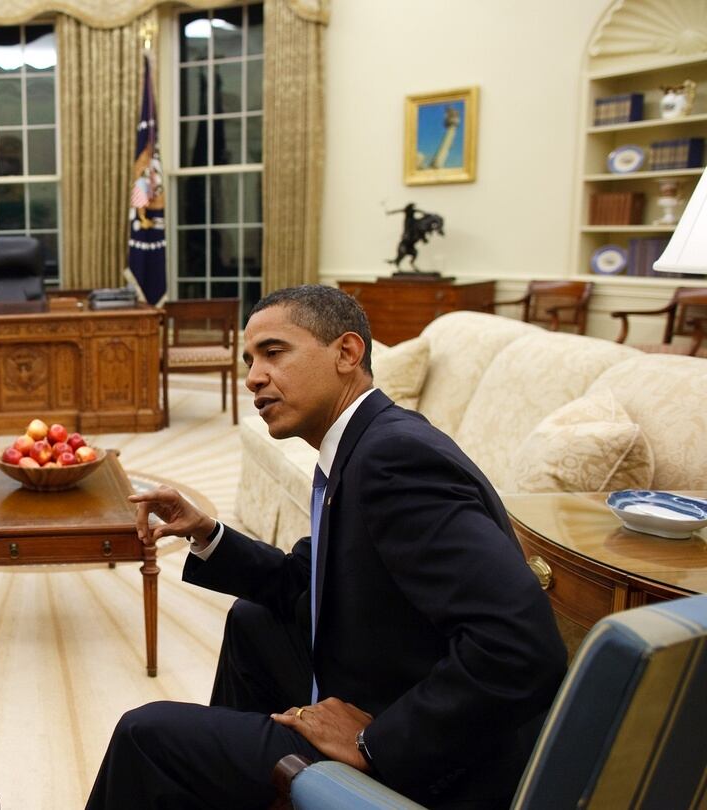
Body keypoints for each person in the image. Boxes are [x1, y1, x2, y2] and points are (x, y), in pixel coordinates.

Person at [86, 285, 566, 809]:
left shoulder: (393, 460)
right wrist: (207, 533)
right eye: (250, 361)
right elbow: (307, 579)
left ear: (346, 353)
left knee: (147, 735)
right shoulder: (360, 442)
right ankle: (251, 787)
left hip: (438, 759)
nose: (252, 378)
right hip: (390, 676)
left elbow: (522, 646)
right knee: (255, 620)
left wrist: (373, 744)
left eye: (274, 352)